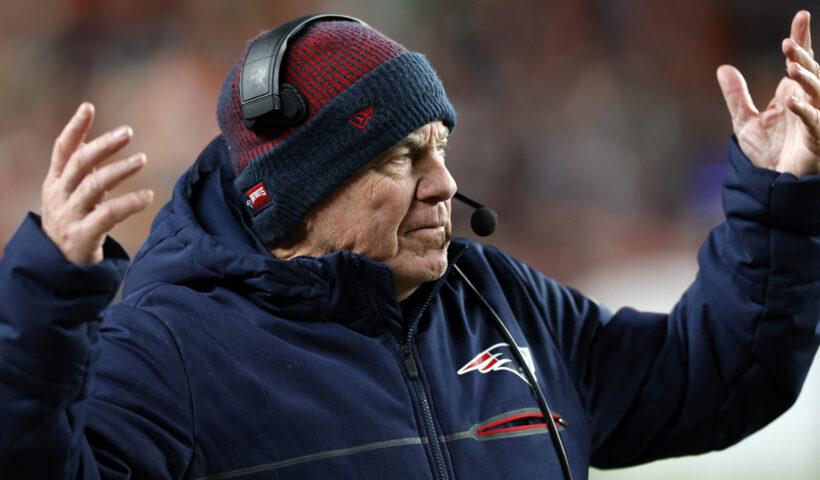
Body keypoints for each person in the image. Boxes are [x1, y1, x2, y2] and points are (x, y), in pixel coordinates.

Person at [1, 10, 819, 480]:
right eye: (403, 156)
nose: (444, 185)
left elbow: (716, 375)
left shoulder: (500, 303)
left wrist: (778, 199)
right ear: (301, 189)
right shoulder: (168, 348)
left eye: (440, 146)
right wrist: (41, 300)